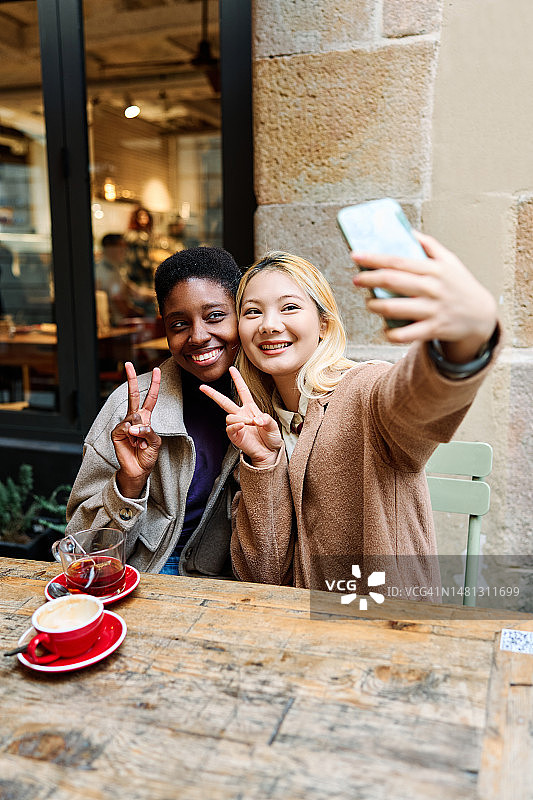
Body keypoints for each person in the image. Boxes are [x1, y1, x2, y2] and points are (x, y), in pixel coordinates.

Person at [200, 233, 501, 594]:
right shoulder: (253, 424)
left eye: (290, 307)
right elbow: (260, 576)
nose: (268, 324)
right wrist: (264, 462)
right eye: (252, 311)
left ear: (324, 326)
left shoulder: (365, 389)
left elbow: (417, 400)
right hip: (293, 626)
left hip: (382, 621)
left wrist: (465, 342)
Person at [66, 246, 242, 576]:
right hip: (156, 567)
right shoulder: (128, 410)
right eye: (179, 324)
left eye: (215, 316)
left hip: (238, 576)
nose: (198, 336)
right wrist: (128, 484)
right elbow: (82, 553)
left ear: (242, 312)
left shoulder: (276, 393)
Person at [95, 234, 145, 325]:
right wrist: (143, 314)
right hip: (115, 325)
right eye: (121, 248)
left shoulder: (116, 269)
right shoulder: (105, 272)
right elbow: (119, 303)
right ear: (109, 249)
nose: (125, 252)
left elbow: (132, 290)